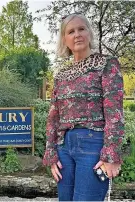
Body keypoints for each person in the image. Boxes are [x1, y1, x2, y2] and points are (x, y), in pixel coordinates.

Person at [43, 14, 124, 201]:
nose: (77, 34)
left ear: (89, 33)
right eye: (71, 31)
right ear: (65, 39)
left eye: (81, 29)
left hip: (93, 145)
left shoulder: (106, 64)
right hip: (64, 148)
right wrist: (51, 153)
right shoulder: (61, 74)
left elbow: (115, 112)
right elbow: (53, 116)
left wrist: (111, 153)